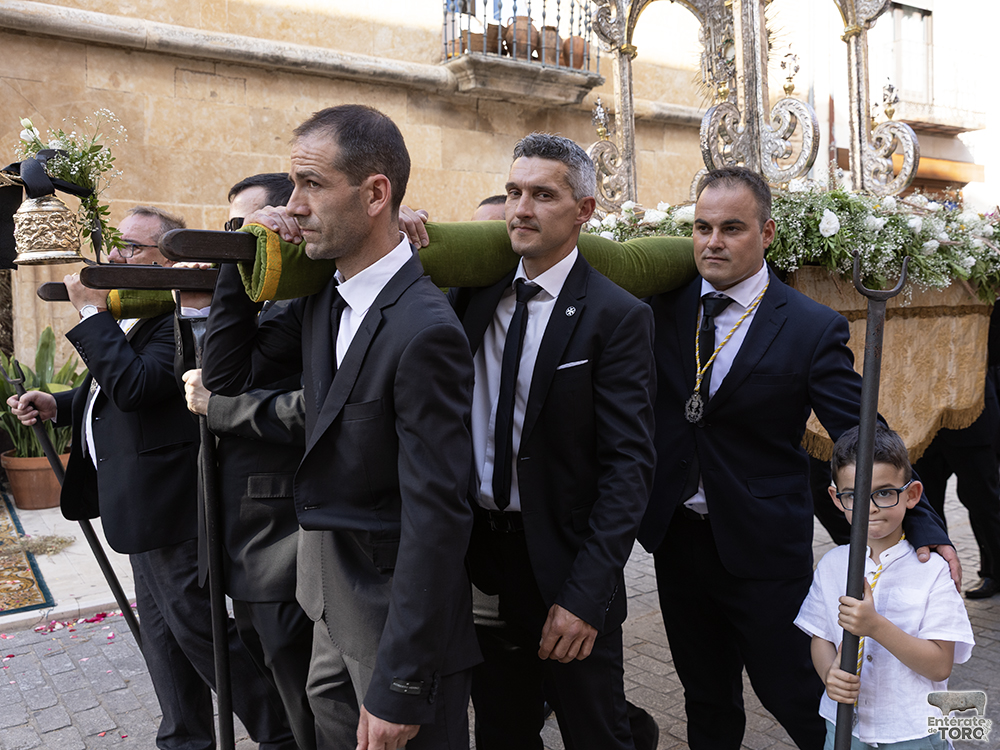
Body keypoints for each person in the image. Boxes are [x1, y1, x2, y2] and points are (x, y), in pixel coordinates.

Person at [636, 166, 956, 750]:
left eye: (732, 228)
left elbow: (864, 434)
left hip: (761, 546)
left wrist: (927, 522)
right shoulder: (661, 305)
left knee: (797, 696)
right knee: (704, 696)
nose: (713, 242)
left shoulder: (810, 327)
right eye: (702, 227)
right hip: (677, 539)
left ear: (768, 234)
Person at [200, 104, 480, 750]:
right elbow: (227, 375)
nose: (292, 205)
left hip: (396, 633)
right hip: (325, 608)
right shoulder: (324, 300)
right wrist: (239, 251)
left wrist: (402, 684)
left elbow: (436, 519)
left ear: (376, 193)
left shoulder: (426, 331)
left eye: (311, 184)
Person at [8, 205, 296, 750]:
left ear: (171, 261)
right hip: (135, 502)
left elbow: (137, 387)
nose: (117, 257)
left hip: (169, 504)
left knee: (199, 630)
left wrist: (91, 317)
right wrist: (59, 404)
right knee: (162, 638)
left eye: (133, 248)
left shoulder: (178, 322)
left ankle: (280, 733)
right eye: (117, 245)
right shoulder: (137, 318)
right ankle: (183, 738)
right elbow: (112, 396)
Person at [449, 133, 656, 750]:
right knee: (502, 732)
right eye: (515, 192)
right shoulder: (473, 292)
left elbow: (629, 469)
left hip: (567, 566)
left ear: (584, 210)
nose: (521, 209)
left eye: (543, 194)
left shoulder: (614, 316)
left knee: (595, 730)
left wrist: (585, 598)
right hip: (482, 561)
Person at [182, 172, 316, 750]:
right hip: (243, 528)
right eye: (231, 227)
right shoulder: (277, 293)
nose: (234, 237)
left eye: (245, 225)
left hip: (279, 533)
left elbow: (229, 380)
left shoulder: (302, 297)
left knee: (305, 688)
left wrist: (236, 267)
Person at [795, 424, 974, 749]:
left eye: (884, 492)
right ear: (837, 498)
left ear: (912, 494)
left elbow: (939, 664)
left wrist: (875, 626)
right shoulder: (833, 563)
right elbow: (820, 637)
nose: (871, 507)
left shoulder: (933, 570)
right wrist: (829, 675)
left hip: (913, 729)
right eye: (854, 496)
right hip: (845, 726)